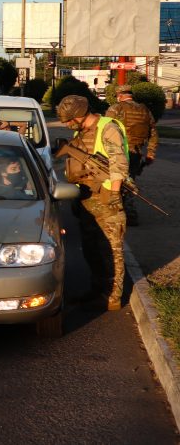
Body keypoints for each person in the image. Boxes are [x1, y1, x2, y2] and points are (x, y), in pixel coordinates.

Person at [57, 94, 129, 311]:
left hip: (106, 198)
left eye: (69, 120)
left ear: (79, 115)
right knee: (91, 249)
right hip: (87, 200)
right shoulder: (82, 132)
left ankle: (113, 298)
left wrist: (115, 196)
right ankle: (97, 290)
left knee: (111, 250)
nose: (67, 124)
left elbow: (119, 164)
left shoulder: (108, 128)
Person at [106, 85, 158, 226]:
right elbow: (153, 133)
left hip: (119, 151)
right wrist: (150, 153)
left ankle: (124, 212)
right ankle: (129, 213)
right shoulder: (145, 110)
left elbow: (106, 129)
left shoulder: (116, 109)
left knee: (117, 181)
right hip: (136, 153)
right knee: (130, 180)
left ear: (120, 95)